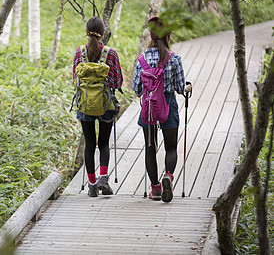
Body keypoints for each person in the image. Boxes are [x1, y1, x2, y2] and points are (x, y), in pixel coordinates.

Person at [132, 16, 192, 202]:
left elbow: (136, 89)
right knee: (171, 147)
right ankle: (168, 176)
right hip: (168, 105)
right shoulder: (174, 59)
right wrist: (188, 88)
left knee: (150, 148)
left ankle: (155, 189)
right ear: (168, 36)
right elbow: (180, 87)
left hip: (149, 107)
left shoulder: (142, 59)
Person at [73, 16, 123, 197]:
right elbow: (118, 82)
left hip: (85, 105)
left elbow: (74, 80)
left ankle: (92, 185)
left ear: (87, 32)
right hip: (106, 103)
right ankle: (104, 178)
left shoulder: (80, 52)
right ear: (103, 33)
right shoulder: (111, 53)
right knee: (103, 143)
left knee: (89, 145)